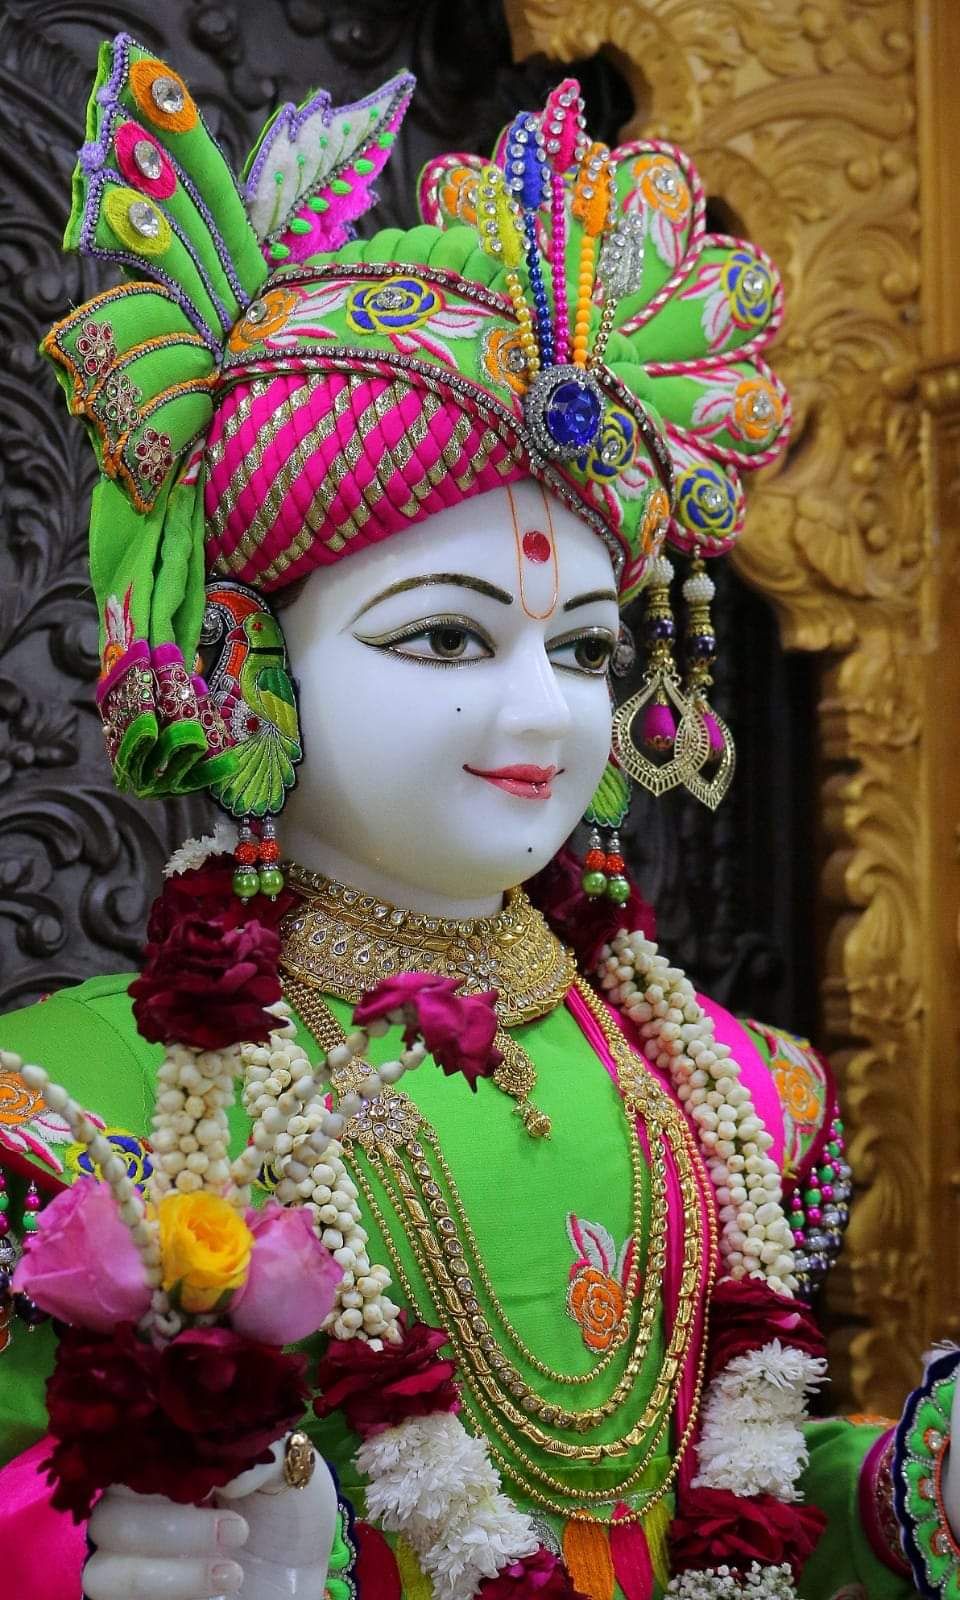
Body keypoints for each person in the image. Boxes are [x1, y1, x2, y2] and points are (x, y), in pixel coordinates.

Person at [0, 31, 950, 1600]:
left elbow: (739, 1495)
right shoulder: (87, 1114)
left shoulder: (722, 1087)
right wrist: (119, 1554)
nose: (543, 713)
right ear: (254, 660)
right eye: (445, 639)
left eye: (584, 649)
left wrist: (928, 1483)